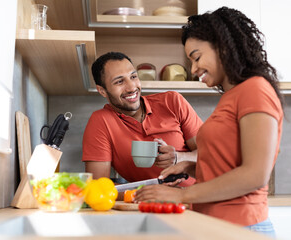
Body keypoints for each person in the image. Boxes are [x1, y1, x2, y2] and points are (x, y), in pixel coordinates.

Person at [135, 7, 284, 238]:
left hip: (241, 227)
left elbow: (255, 175)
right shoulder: (233, 95)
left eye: (196, 57)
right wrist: (192, 167)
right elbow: (229, 164)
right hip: (216, 226)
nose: (193, 69)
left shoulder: (255, 90)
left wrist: (182, 196)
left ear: (223, 46)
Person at [82, 52, 203, 186]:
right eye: (119, 81)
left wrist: (178, 157)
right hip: (150, 204)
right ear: (102, 91)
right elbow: (98, 185)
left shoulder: (173, 102)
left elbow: (211, 155)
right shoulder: (101, 121)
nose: (132, 87)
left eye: (133, 77)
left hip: (200, 196)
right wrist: (148, 193)